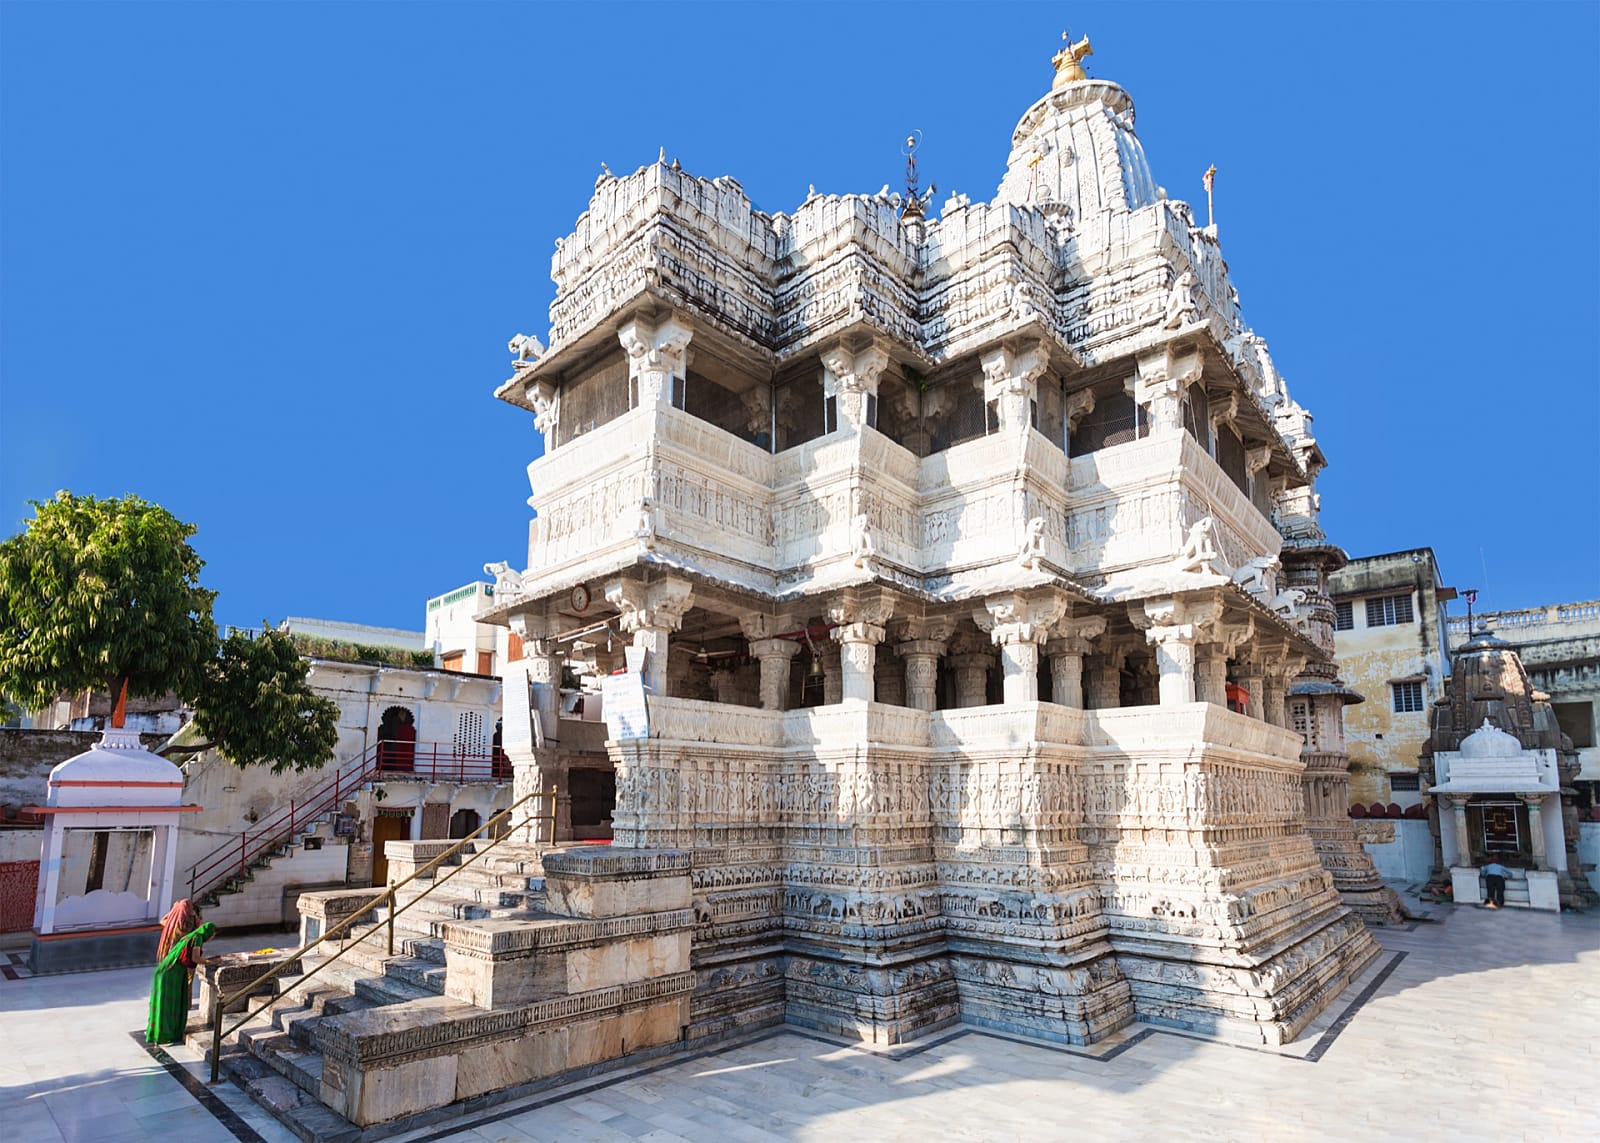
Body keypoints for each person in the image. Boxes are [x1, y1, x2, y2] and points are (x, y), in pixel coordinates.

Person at [146, 899, 215, 1044]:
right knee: (185, 984)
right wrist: (194, 916)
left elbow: (162, 921)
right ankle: (185, 1005)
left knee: (173, 989)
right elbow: (202, 929)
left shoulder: (173, 921)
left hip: (170, 957)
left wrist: (173, 912)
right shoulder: (190, 924)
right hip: (184, 959)